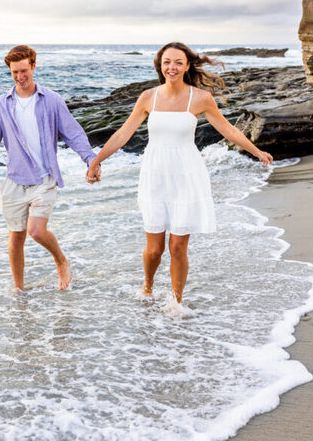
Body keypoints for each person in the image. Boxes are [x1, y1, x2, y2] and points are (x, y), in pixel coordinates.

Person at [86, 42, 273, 304]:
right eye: (167, 62)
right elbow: (123, 133)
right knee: (154, 249)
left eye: (177, 62)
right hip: (155, 175)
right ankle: (148, 286)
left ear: (186, 66)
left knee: (177, 246)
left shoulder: (200, 98)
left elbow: (228, 129)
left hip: (187, 175)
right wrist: (96, 161)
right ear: (160, 66)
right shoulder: (148, 97)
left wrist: (256, 151)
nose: (171, 67)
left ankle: (176, 302)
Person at [0, 45, 100, 291]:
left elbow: (73, 133)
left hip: (44, 179)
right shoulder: (1, 105)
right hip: (15, 181)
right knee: (16, 237)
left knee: (36, 231)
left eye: (24, 71)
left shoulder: (51, 100)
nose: (20, 77)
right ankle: (19, 291)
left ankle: (61, 261)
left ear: (33, 66)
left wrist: (91, 161)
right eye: (15, 72)